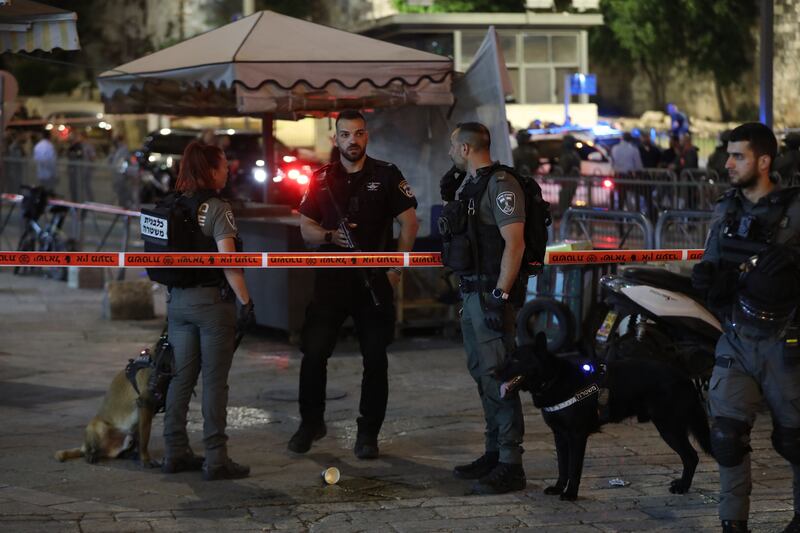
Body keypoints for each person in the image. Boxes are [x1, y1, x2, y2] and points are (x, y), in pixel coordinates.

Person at [289, 110, 419, 459]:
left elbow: (409, 223)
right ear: (336, 139)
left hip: (373, 282)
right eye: (345, 134)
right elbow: (306, 228)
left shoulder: (387, 175)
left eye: (358, 133)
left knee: (375, 358)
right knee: (313, 352)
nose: (352, 140)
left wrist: (395, 270)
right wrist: (331, 235)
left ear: (367, 136)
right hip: (331, 282)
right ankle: (310, 423)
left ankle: (368, 433)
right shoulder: (320, 178)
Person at [691, 122, 800, 533]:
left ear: (764, 161)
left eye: (738, 156)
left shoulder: (795, 211)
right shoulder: (726, 208)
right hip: (737, 336)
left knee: (795, 440)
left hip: (786, 339)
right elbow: (711, 263)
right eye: (728, 154)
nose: (728, 163)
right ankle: (732, 522)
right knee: (726, 436)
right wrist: (707, 281)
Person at [440, 122, 527, 495]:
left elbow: (515, 244)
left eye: (451, 147)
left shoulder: (501, 184)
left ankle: (511, 463)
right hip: (472, 293)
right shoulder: (472, 185)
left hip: (491, 295)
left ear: (465, 149)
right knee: (482, 373)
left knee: (500, 377)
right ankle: (493, 452)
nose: (448, 152)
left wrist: (501, 296)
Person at [161, 141, 254, 481]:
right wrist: (246, 301)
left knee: (180, 378)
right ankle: (216, 457)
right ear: (209, 169)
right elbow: (228, 262)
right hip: (213, 305)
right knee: (215, 383)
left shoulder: (171, 204)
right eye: (223, 165)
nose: (228, 170)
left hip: (178, 302)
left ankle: (174, 450)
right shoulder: (217, 208)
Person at [557, 134, 581, 214]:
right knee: (567, 204)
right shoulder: (575, 154)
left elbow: (563, 168)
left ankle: (565, 222)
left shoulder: (567, 155)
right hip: (572, 183)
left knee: (564, 206)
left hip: (568, 184)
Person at [108, 134, 132, 207]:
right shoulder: (116, 150)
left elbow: (126, 161)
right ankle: (122, 206)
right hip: (116, 175)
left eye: (118, 141)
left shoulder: (124, 149)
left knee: (123, 192)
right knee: (118, 191)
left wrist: (124, 171)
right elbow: (110, 161)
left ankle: (124, 207)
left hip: (122, 175)